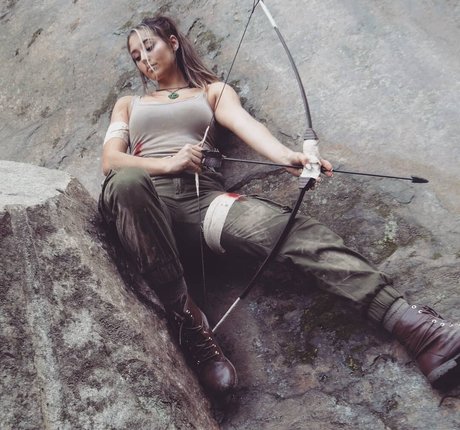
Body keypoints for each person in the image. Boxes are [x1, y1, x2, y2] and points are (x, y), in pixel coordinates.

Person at [99, 15, 460, 395]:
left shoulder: (213, 92)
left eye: (150, 47)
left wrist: (288, 157)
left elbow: (247, 125)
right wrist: (168, 164)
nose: (145, 60)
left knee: (295, 233)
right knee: (127, 182)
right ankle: (190, 323)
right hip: (141, 203)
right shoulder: (129, 104)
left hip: (202, 203)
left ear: (173, 42)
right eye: (136, 56)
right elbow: (110, 161)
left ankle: (418, 331)